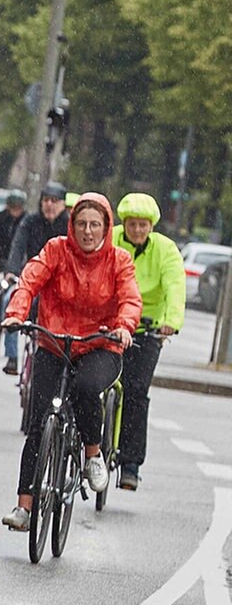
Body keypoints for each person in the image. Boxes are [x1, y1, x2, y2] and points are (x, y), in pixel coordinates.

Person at [0, 193, 141, 531]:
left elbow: (130, 300)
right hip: (53, 341)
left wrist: (123, 327)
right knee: (38, 422)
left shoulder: (119, 261)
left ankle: (93, 453)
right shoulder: (56, 250)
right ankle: (23, 506)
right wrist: (16, 314)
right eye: (81, 224)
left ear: (106, 228)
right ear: (71, 225)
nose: (88, 231)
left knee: (86, 387)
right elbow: (29, 280)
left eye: (95, 225)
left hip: (100, 345)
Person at [112, 192, 183, 491]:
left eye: (143, 225)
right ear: (123, 223)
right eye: (132, 224)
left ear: (151, 225)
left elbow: (175, 285)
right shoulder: (110, 238)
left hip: (148, 327)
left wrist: (171, 322)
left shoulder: (166, 249)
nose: (137, 230)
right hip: (112, 322)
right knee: (92, 383)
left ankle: (130, 463)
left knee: (136, 391)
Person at [0, 182, 70, 374]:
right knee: (9, 301)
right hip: (32, 279)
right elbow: (17, 247)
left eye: (54, 201)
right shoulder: (30, 221)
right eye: (46, 200)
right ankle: (12, 357)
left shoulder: (70, 224)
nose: (49, 205)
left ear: (63, 204)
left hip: (61, 285)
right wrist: (12, 271)